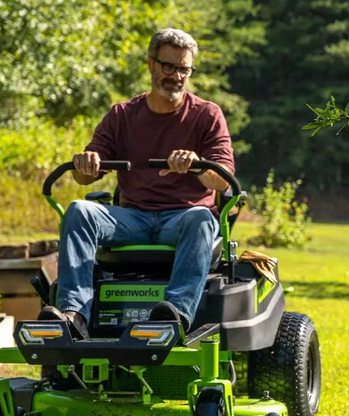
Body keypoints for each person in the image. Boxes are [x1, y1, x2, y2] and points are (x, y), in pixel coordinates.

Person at [40, 28, 234, 339]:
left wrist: (196, 164)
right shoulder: (122, 114)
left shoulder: (207, 115)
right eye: (169, 66)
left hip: (183, 218)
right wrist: (86, 163)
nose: (176, 76)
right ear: (151, 64)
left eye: (184, 69)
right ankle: (73, 314)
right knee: (79, 209)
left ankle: (174, 314)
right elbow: (84, 175)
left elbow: (223, 179)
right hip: (133, 218)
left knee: (201, 218)